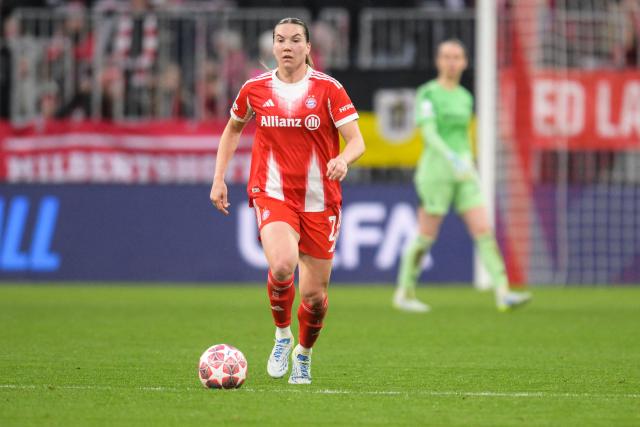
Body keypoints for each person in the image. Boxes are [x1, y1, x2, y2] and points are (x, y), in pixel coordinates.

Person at [210, 17, 365, 384]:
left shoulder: (329, 89)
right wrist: (218, 178)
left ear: (308, 47)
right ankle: (282, 335)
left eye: (296, 40)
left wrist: (343, 159)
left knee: (314, 296)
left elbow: (356, 140)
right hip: (272, 192)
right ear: (273, 46)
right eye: (281, 40)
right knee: (282, 265)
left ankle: (304, 354)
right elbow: (232, 129)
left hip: (319, 199)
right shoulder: (255, 88)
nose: (287, 46)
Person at [394, 39, 531, 313]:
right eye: (446, 56)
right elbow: (429, 132)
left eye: (457, 57)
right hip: (435, 172)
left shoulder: (465, 97)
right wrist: (450, 157)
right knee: (426, 237)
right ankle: (404, 292)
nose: (452, 62)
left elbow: (463, 137)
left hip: (464, 173)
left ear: (465, 62)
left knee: (483, 230)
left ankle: (503, 292)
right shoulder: (428, 93)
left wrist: (468, 160)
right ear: (438, 61)